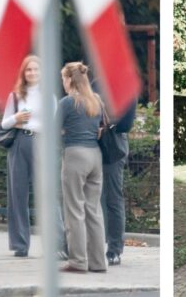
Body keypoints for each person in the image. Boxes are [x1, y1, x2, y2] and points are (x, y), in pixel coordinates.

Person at [0, 56, 68, 259]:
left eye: (36, 69)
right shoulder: (15, 96)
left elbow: (54, 125)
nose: (32, 73)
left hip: (42, 143)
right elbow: (4, 124)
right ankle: (20, 244)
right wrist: (16, 119)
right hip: (20, 142)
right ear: (23, 73)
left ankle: (56, 245)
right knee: (17, 194)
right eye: (28, 70)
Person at [58, 62, 108, 273]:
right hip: (95, 156)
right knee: (93, 210)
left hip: (75, 155)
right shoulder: (96, 101)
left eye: (63, 79)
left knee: (74, 210)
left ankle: (78, 261)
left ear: (69, 79)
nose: (63, 83)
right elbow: (100, 127)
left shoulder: (68, 102)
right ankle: (98, 262)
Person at [90, 75, 137, 266]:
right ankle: (91, 244)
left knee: (113, 197)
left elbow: (126, 122)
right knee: (91, 197)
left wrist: (107, 126)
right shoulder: (95, 83)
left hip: (113, 144)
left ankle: (115, 249)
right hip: (92, 143)